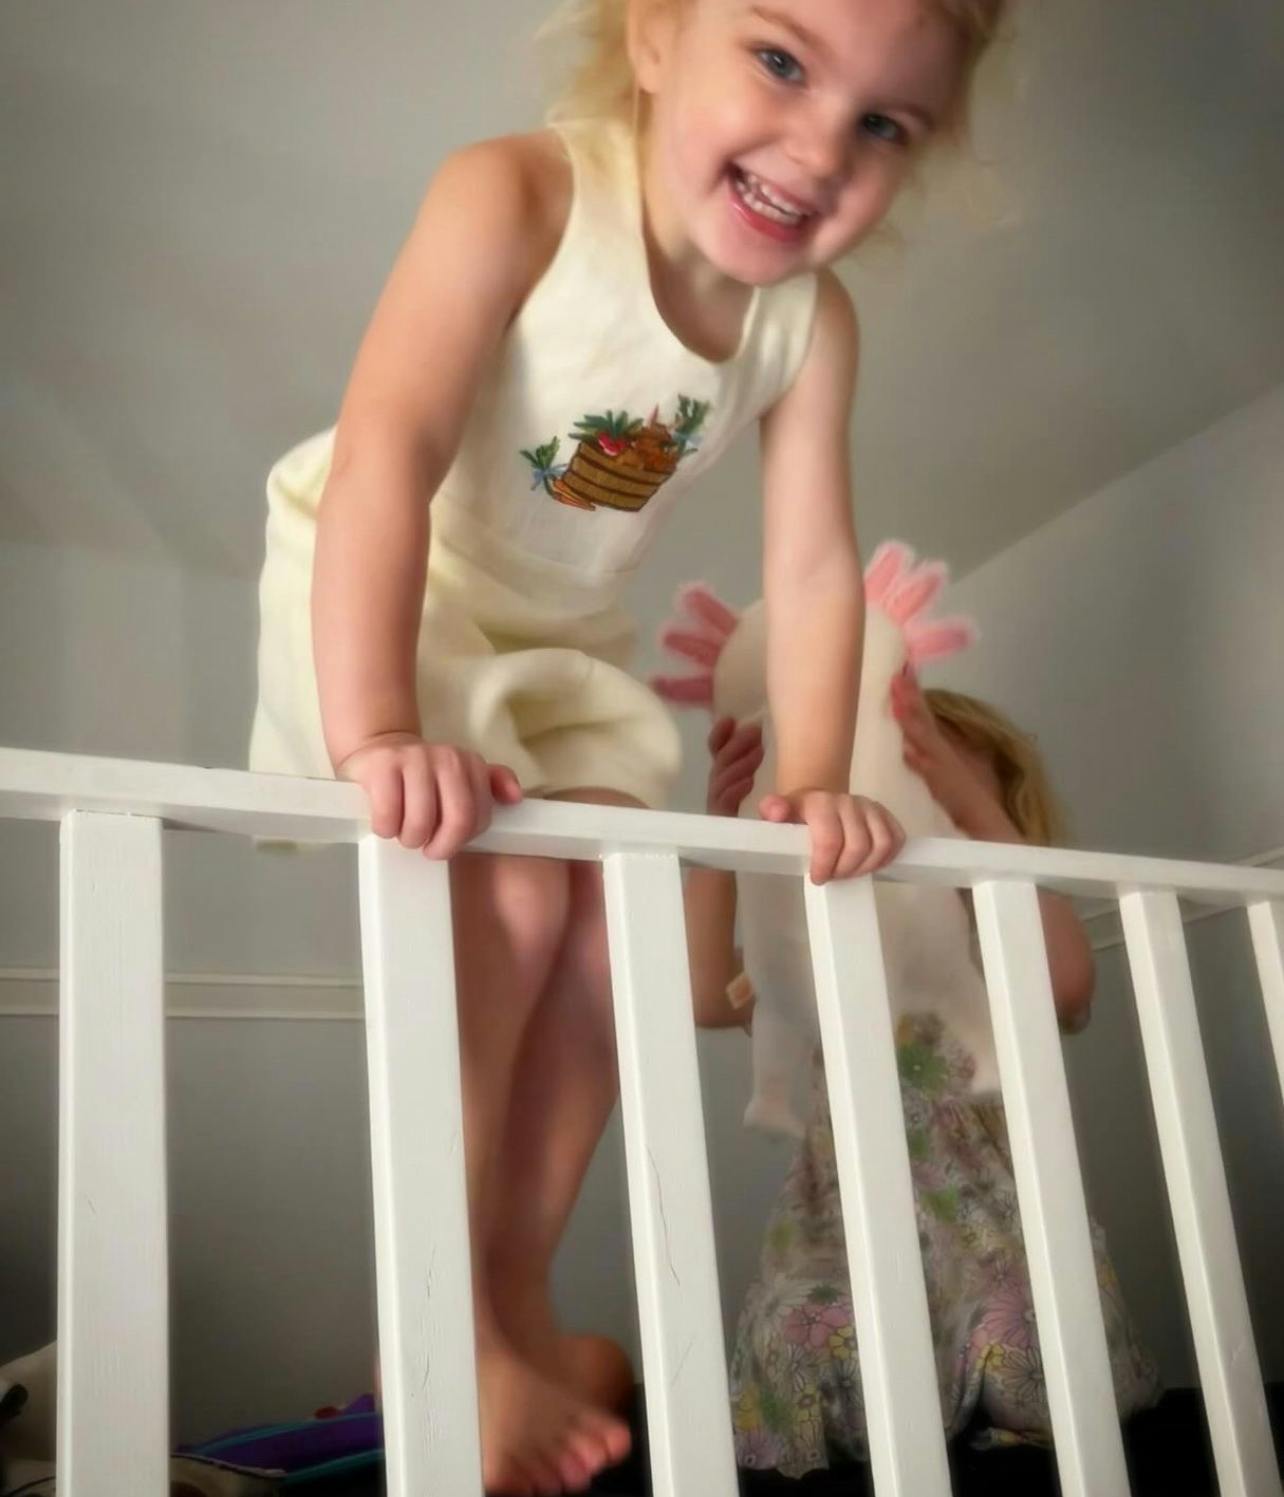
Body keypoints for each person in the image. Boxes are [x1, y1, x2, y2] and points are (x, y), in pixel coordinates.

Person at [250, 2, 1007, 1490]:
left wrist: (813, 777)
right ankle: (443, 1315)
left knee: (620, 935)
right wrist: (380, 723)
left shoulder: (809, 324)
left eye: (882, 124)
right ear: (654, 38)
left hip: (564, 647)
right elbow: (389, 445)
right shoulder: (519, 193)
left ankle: (516, 1292)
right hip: (403, 593)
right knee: (516, 899)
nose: (820, 148)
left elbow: (812, 570)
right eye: (782, 62)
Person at [687, 677, 1161, 1477]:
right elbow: (705, 992)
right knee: (798, 1331)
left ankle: (986, 1395)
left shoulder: (993, 935)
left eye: (942, 796)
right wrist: (717, 835)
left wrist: (971, 809)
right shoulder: (821, 955)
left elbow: (1067, 979)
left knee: (1022, 1335)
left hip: (999, 1241)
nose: (917, 809)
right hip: (844, 1239)